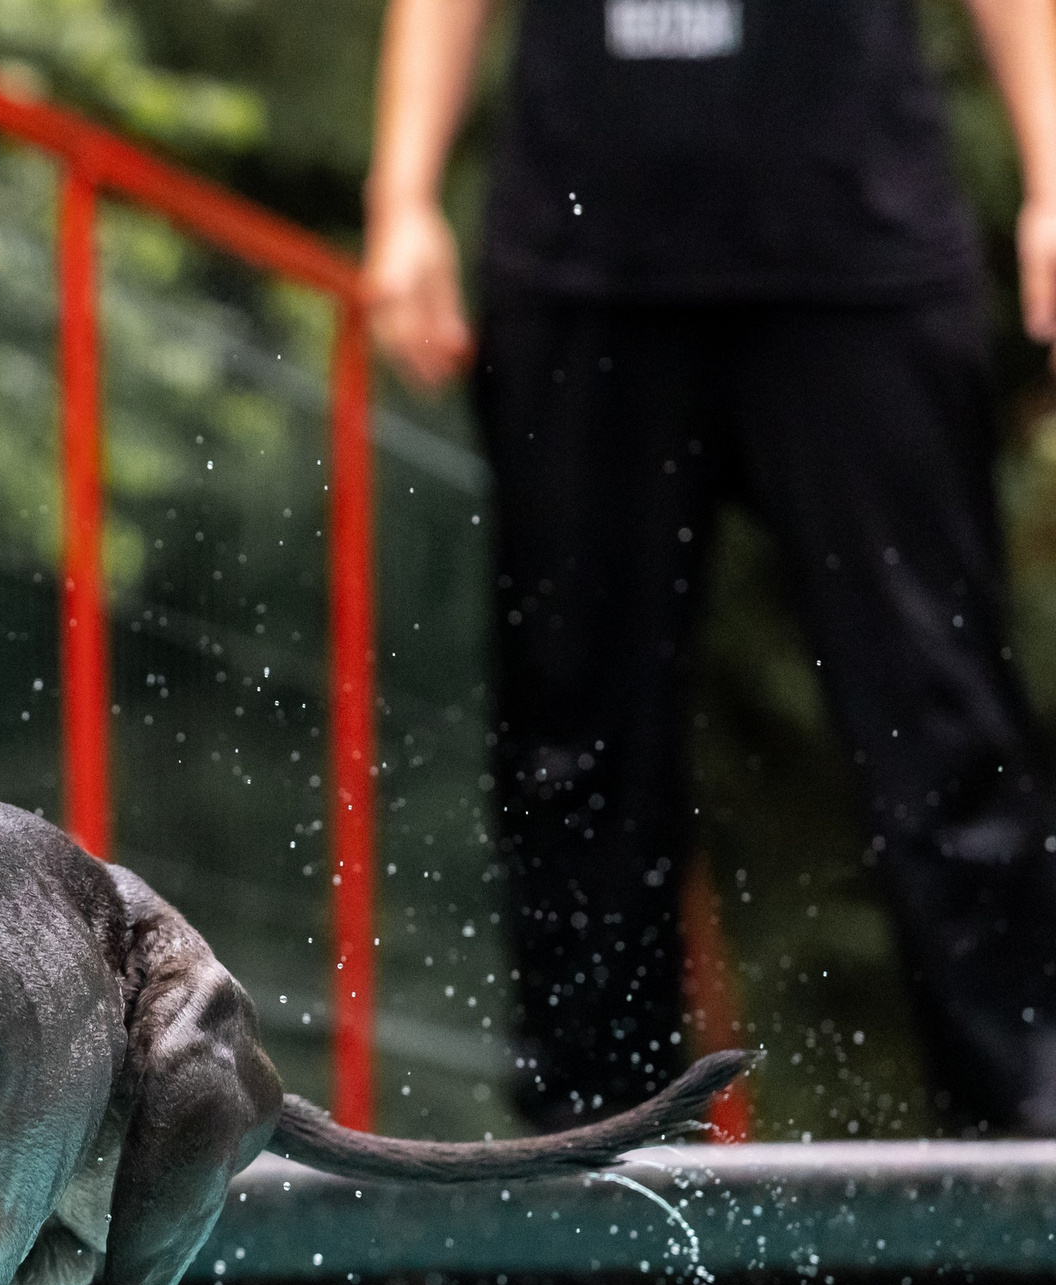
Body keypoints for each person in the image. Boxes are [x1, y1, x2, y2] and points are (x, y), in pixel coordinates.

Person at [363, 0, 1056, 1133]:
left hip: (856, 241)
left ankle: (1030, 1147)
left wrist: (1050, 170)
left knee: (946, 723)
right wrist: (400, 201)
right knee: (570, 741)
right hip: (584, 253)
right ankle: (589, 1177)